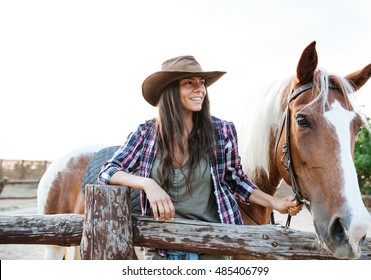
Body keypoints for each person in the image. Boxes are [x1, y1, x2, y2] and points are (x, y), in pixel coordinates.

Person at [98, 55, 302, 260]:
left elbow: (237, 180)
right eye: (189, 82)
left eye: (202, 83)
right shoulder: (145, 134)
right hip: (161, 248)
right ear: (169, 90)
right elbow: (108, 171)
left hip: (212, 246)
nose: (200, 89)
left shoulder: (221, 131)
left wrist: (275, 203)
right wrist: (147, 184)